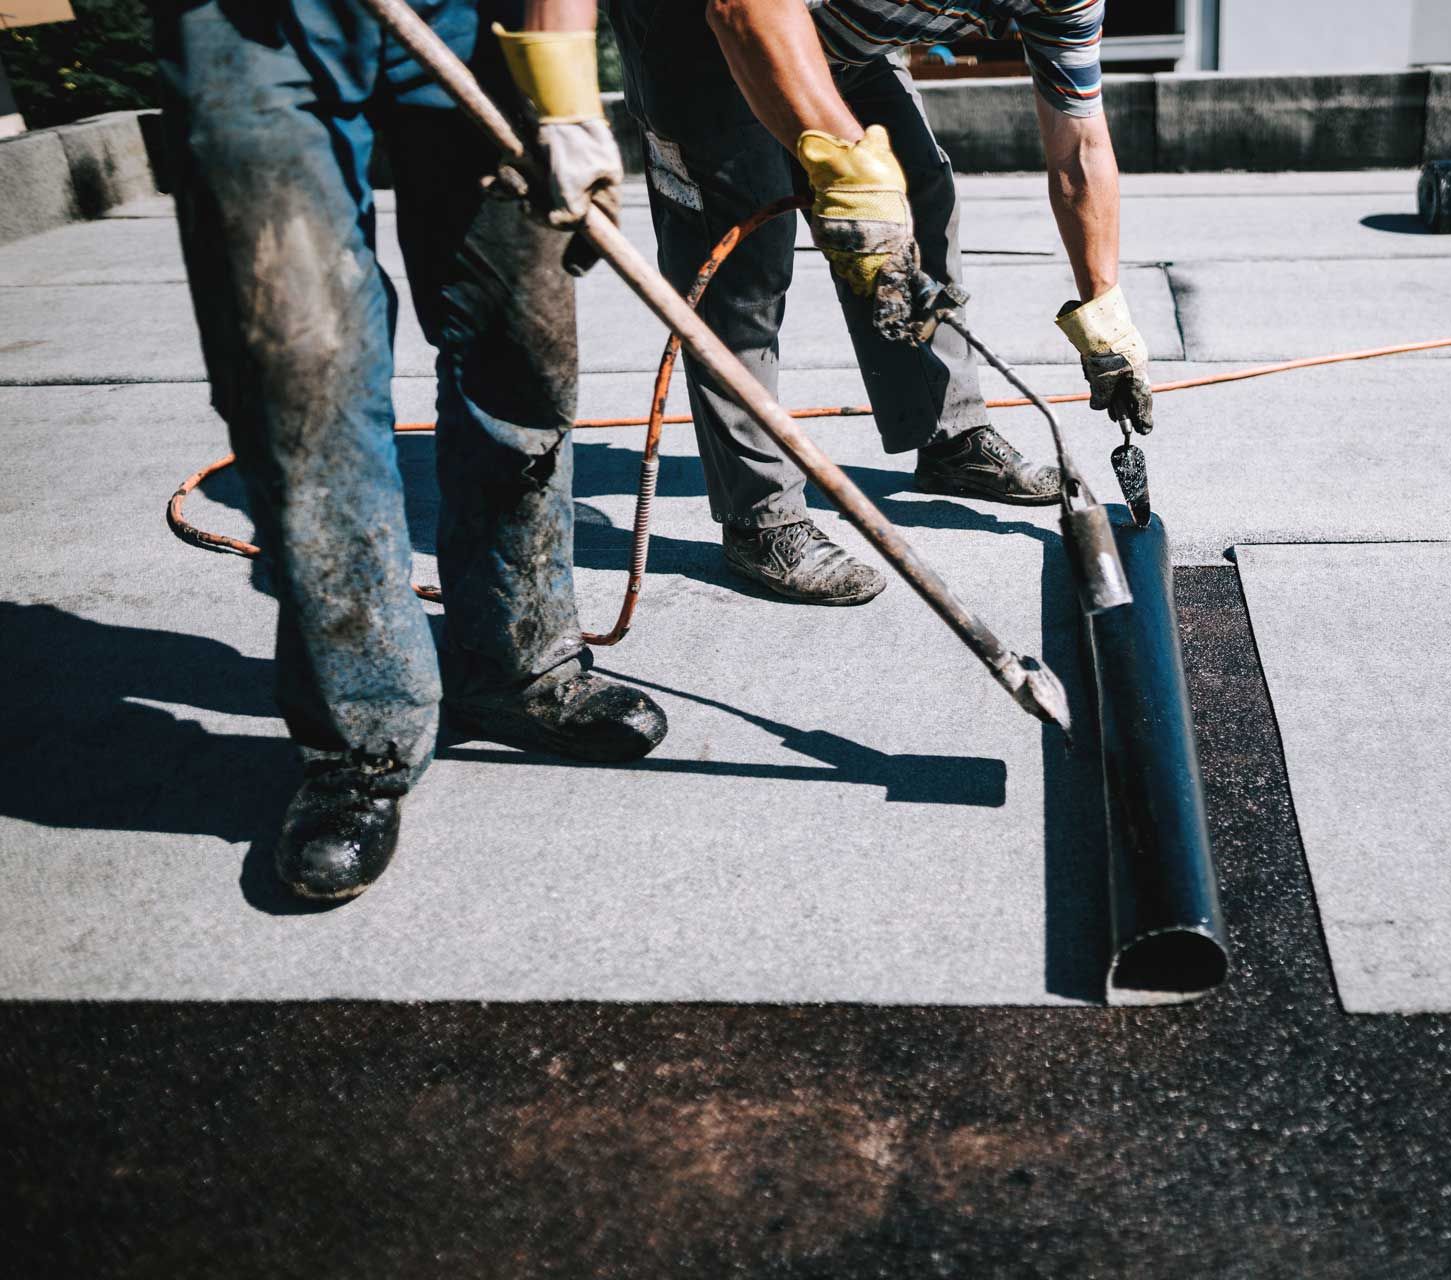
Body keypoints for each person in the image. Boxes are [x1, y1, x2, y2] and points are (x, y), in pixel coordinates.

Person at [152, 0, 665, 902]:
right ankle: (362, 737)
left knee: (523, 342)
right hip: (256, 23)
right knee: (304, 366)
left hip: (477, 14)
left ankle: (517, 662)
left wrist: (562, 81)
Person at [608, 0, 1155, 606]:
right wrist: (847, 173)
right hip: (700, 29)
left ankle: (949, 436)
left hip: (838, 36)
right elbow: (739, 9)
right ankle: (760, 516)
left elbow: (1079, 153)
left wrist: (1104, 318)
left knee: (916, 195)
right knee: (741, 265)